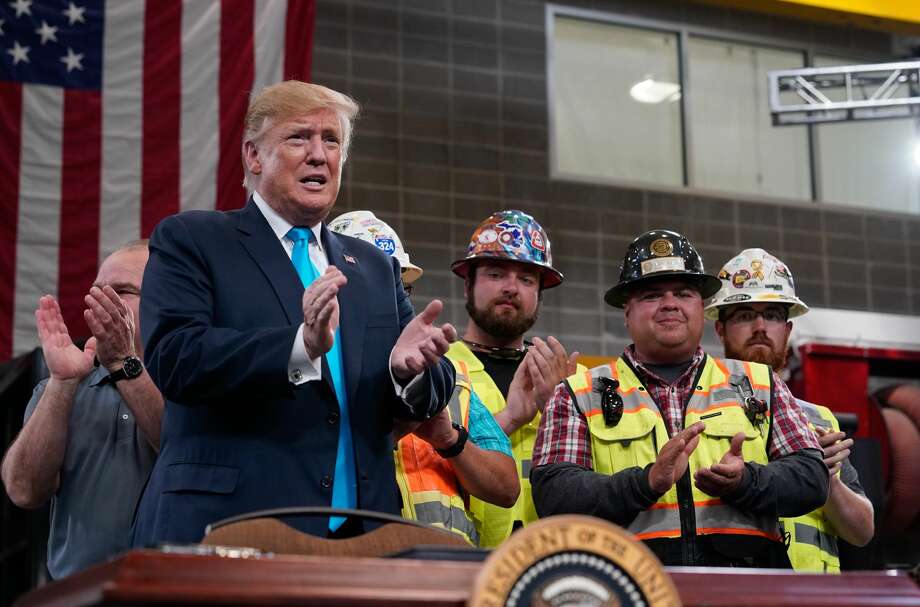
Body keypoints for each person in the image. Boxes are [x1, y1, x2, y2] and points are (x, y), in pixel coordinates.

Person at [131, 81, 457, 545]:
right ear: (253, 156)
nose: (319, 154)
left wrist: (407, 372)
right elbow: (176, 358)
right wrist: (299, 346)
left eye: (331, 141)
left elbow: (429, 380)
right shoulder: (195, 240)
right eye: (298, 137)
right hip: (230, 526)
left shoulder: (373, 268)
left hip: (363, 536)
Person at [531, 229, 829, 567]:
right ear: (626, 312)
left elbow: (811, 478)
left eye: (683, 292)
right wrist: (645, 483)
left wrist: (746, 481)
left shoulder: (762, 384)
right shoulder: (578, 393)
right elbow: (554, 495)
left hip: (747, 592)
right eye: (652, 295)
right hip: (633, 590)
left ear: (702, 308)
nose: (669, 303)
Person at [329, 211, 518, 545]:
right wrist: (398, 427)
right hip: (355, 564)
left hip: (443, 570)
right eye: (377, 286)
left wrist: (450, 440)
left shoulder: (449, 379)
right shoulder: (314, 369)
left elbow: (506, 488)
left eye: (401, 287)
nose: (392, 299)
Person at [705, 248, 874, 572]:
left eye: (772, 315)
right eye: (743, 315)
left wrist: (830, 480)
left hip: (814, 596)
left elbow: (862, 532)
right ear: (720, 329)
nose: (759, 326)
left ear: (788, 330)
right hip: (737, 592)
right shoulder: (698, 409)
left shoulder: (818, 420)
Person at [1, 241, 161, 579]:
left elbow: (177, 445)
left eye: (122, 291)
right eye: (96, 293)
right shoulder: (64, 385)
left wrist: (124, 363)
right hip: (76, 593)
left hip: (168, 588)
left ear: (165, 301)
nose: (100, 305)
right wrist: (61, 382)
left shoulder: (194, 378)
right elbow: (23, 490)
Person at [447, 210, 580, 548]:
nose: (510, 288)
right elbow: (426, 467)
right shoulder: (438, 370)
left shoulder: (570, 381)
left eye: (526, 279)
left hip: (551, 563)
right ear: (468, 284)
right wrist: (509, 419)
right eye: (495, 273)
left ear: (539, 294)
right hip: (467, 562)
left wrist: (560, 412)